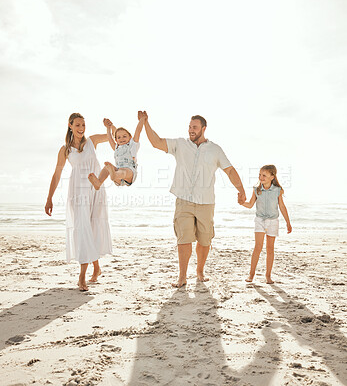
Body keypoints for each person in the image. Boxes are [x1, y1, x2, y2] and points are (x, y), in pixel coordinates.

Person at [139, 111, 246, 288]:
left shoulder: (215, 149)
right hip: (184, 201)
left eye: (194, 127)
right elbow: (156, 143)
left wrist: (241, 189)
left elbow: (230, 170)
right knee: (184, 239)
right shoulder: (180, 144)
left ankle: (200, 270)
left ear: (203, 129)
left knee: (205, 241)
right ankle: (182, 277)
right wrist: (145, 123)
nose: (191, 130)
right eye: (189, 127)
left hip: (206, 202)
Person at [45, 113, 113, 291]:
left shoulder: (92, 141)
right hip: (78, 192)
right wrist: (49, 197)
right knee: (82, 228)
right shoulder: (65, 150)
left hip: (96, 189)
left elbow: (112, 137)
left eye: (83, 125)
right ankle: (82, 275)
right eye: (77, 125)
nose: (81, 128)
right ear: (70, 125)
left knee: (92, 228)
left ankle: (96, 267)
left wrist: (109, 126)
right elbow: (57, 174)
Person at [242, 164, 292, 284]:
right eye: (260, 175)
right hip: (259, 221)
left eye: (264, 175)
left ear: (272, 177)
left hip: (273, 221)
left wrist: (288, 223)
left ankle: (268, 276)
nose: (261, 177)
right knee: (258, 247)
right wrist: (241, 202)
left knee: (270, 249)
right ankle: (251, 274)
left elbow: (282, 207)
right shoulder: (256, 189)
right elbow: (249, 205)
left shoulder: (278, 191)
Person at [88, 114, 144, 189]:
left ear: (130, 137)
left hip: (129, 173)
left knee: (123, 171)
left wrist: (142, 119)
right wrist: (108, 128)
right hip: (118, 174)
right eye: (119, 137)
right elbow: (109, 138)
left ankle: (114, 174)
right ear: (116, 140)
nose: (122, 139)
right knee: (106, 167)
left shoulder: (133, 145)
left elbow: (138, 131)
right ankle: (99, 182)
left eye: (124, 136)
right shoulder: (116, 147)